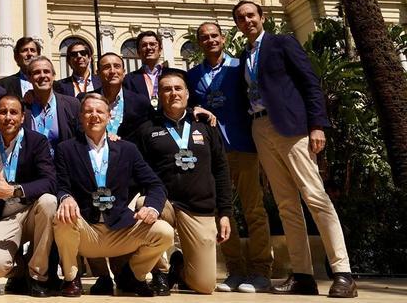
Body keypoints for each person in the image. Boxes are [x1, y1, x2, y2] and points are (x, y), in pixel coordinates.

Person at [233, 0, 357, 298]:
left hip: (291, 127)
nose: (247, 20)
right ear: (237, 24)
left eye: (251, 15)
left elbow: (310, 83)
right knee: (286, 204)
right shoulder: (244, 55)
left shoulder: (282, 43)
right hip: (260, 128)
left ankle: (343, 273)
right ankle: (303, 275)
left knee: (315, 196)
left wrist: (317, 125)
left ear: (262, 17)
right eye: (241, 17)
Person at [53, 93, 174, 298]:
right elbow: (60, 185)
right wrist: (66, 197)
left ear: (109, 117)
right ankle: (71, 278)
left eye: (99, 111)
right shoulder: (66, 149)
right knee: (62, 218)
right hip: (86, 230)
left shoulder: (127, 149)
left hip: (120, 229)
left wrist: (152, 207)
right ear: (81, 117)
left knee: (164, 232)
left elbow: (155, 184)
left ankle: (134, 276)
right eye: (88, 111)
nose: (94, 116)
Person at [187, 22, 272, 293]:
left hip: (242, 145)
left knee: (253, 210)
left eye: (214, 36)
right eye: (204, 38)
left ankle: (261, 271)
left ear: (222, 39)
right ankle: (235, 269)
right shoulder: (192, 75)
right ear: (199, 42)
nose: (210, 40)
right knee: (222, 211)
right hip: (211, 153)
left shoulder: (239, 67)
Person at [130, 70, 232, 295]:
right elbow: (131, 165)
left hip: (199, 207)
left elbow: (221, 170)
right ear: (159, 95)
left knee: (205, 286)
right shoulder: (147, 129)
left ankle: (180, 269)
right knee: (144, 203)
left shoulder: (205, 125)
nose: (173, 93)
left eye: (178, 88)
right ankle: (162, 272)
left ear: (187, 93)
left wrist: (225, 212)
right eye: (166, 89)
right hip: (164, 203)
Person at [0, 95, 57, 298]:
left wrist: (15, 190)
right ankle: (21, 270)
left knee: (50, 201)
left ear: (23, 117)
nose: (8, 117)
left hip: (32, 211)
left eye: (13, 112)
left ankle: (37, 276)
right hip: (5, 216)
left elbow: (50, 181)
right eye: (3, 112)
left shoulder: (37, 141)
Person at [91, 52, 154, 140]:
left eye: (117, 66)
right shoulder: (86, 100)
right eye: (106, 67)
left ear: (124, 72)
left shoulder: (140, 102)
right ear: (98, 73)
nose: (112, 71)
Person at [24, 56, 81, 150]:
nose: (42, 75)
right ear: (29, 78)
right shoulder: (23, 108)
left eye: (46, 71)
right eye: (36, 72)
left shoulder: (72, 105)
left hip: (63, 163)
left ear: (53, 76)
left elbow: (82, 137)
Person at [123, 31, 185, 109]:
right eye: (144, 45)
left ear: (160, 50)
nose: (148, 48)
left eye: (152, 44)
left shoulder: (179, 75)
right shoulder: (128, 80)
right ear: (138, 52)